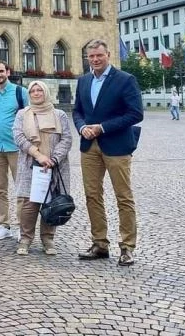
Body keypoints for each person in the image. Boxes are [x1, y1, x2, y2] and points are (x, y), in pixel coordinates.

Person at [73, 38, 143, 266]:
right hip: (89, 147)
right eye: (91, 57)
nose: (95, 60)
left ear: (108, 55)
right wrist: (82, 127)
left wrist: (102, 127)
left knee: (123, 196)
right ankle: (100, 244)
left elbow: (135, 114)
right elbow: (77, 111)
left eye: (99, 56)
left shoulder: (125, 80)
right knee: (92, 195)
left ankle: (127, 247)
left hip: (116, 145)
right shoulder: (83, 81)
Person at [12, 81, 72, 256]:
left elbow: (67, 139)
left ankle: (48, 239)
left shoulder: (59, 114)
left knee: (51, 203)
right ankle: (25, 239)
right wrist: (38, 155)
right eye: (33, 91)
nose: (36, 93)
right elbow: (18, 136)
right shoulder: (22, 114)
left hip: (55, 166)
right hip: (31, 164)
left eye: (39, 90)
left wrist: (53, 159)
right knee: (29, 205)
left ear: (45, 92)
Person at [0, 61, 28, 241]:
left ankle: (22, 226)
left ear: (8, 72)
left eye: (1, 71)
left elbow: (31, 116)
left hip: (17, 148)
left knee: (21, 188)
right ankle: (4, 224)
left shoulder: (20, 92)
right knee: (0, 189)